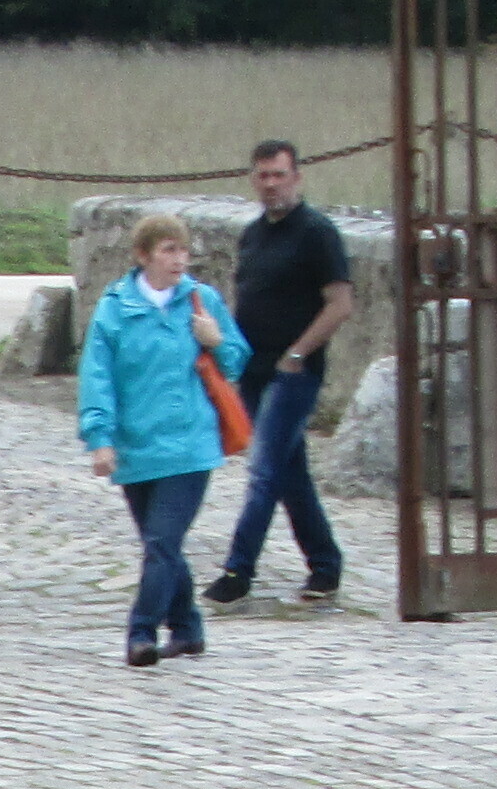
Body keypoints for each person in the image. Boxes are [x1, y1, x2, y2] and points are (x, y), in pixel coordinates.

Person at [78, 211, 241, 666]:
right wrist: (100, 437)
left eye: (183, 250)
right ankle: (187, 628)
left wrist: (216, 340)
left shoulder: (201, 301)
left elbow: (236, 362)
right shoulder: (115, 308)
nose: (178, 259)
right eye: (168, 249)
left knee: (162, 543)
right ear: (143, 255)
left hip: (189, 447)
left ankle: (141, 631)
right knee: (160, 544)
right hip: (136, 449)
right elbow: (98, 376)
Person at [210, 137, 355, 606]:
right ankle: (325, 565)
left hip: (293, 372)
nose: (271, 184)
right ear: (253, 179)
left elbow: (340, 304)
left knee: (264, 471)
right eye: (263, 175)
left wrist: (298, 353)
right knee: (290, 474)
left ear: (297, 177)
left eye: (279, 174)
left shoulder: (317, 233)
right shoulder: (252, 235)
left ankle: (238, 571)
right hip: (253, 370)